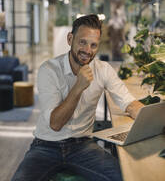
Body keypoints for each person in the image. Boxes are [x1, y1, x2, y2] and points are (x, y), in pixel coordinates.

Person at [11, 14, 144, 181]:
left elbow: (129, 103)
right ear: (70, 38)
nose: (87, 50)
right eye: (82, 42)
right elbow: (55, 124)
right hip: (45, 146)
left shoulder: (103, 69)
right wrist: (79, 86)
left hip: (83, 146)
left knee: (123, 177)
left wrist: (151, 119)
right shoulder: (49, 70)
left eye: (93, 45)